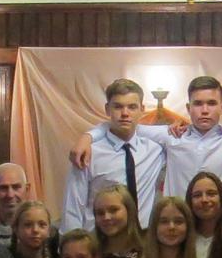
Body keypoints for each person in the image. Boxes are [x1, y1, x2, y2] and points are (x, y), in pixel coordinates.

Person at [73, 75, 222, 200]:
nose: (204, 110)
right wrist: (87, 136)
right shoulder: (170, 136)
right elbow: (122, 124)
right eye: (198, 104)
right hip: (178, 227)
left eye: (211, 103)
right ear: (188, 107)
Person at [62, 79, 166, 232]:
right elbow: (73, 206)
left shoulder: (155, 150)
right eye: (118, 106)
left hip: (142, 238)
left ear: (142, 109)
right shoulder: (89, 153)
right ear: (107, 109)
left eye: (132, 107)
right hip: (99, 238)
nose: (125, 113)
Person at [91, 184, 144, 258]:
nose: (106, 217)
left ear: (129, 210)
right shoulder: (90, 256)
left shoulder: (147, 252)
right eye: (100, 213)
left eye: (113, 210)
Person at [186, 170, 222, 258]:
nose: (204, 200)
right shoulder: (182, 239)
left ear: (221, 197)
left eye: (211, 194)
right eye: (197, 195)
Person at [0, 162, 34, 244]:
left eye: (16, 187)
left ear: (27, 189)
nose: (10, 195)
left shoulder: (42, 231)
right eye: (3, 188)